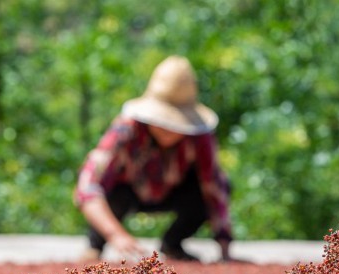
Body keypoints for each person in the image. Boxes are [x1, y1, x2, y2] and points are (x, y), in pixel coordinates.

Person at [74, 55, 234, 262]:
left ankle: (173, 244)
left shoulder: (200, 139)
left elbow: (214, 188)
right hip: (128, 194)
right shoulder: (126, 130)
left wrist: (224, 245)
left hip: (174, 192)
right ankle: (95, 246)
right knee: (112, 194)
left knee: (219, 185)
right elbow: (88, 185)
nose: (168, 129)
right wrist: (115, 234)